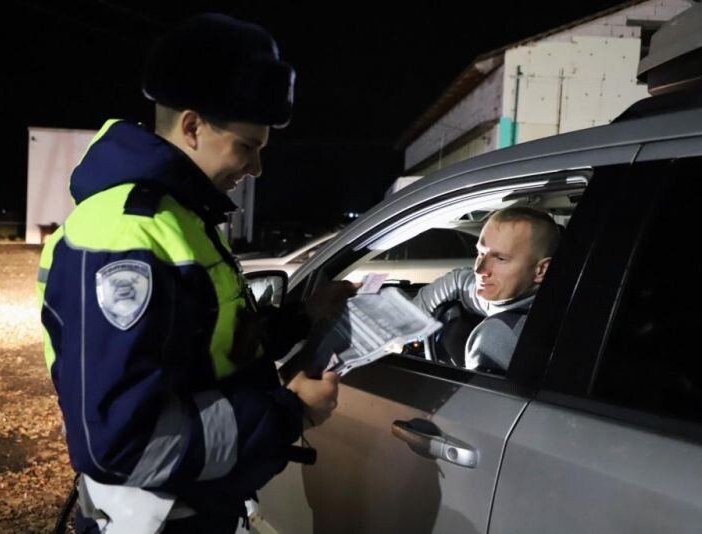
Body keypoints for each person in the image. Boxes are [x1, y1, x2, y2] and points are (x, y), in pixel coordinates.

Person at [36, 13, 352, 533]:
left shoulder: (180, 217)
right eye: (247, 146)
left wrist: (301, 318)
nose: (256, 169)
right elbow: (122, 443)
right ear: (191, 127)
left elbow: (202, 348)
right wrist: (290, 413)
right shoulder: (129, 233)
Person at [413, 207, 560, 372]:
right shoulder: (510, 294)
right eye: (481, 253)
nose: (479, 270)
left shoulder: (498, 335)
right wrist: (407, 325)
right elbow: (458, 281)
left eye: (500, 258)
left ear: (541, 270)